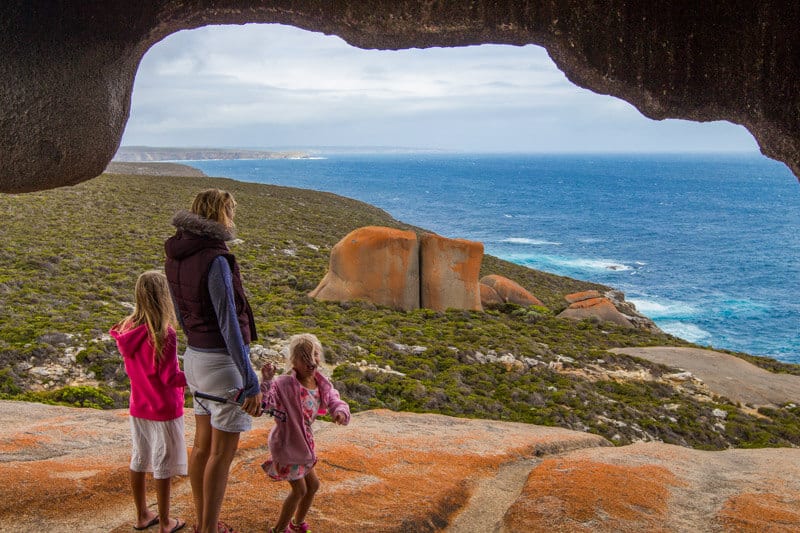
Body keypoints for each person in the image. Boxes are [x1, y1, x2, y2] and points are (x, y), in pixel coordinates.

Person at [164, 189, 263, 533]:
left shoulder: (175, 255)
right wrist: (250, 379)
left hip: (194, 359)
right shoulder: (215, 259)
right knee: (221, 454)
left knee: (202, 447)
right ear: (221, 213)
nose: (233, 217)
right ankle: (208, 529)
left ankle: (204, 522)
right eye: (231, 210)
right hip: (222, 365)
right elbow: (229, 323)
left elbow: (180, 312)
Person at [110, 270, 187, 533]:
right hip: (164, 408)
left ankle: (143, 514)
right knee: (163, 464)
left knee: (140, 458)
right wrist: (197, 378)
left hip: (139, 405)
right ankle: (166, 521)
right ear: (164, 296)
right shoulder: (164, 333)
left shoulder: (126, 328)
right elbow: (169, 377)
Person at [260, 333, 351, 533]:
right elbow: (266, 404)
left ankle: (298, 524)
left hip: (304, 445)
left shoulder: (320, 382)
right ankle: (279, 530)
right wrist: (266, 381)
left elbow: (333, 398)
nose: (311, 361)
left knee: (313, 486)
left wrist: (339, 411)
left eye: (314, 355)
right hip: (287, 445)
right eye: (304, 357)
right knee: (300, 490)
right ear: (294, 361)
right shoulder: (284, 384)